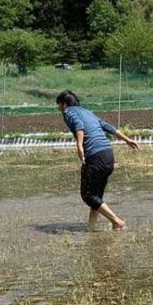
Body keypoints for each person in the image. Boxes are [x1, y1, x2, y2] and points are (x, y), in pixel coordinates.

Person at [56, 90, 139, 231]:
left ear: (64, 104)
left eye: (58, 105)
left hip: (94, 156)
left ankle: (117, 221)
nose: (58, 108)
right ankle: (90, 228)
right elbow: (107, 126)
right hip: (108, 155)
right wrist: (127, 139)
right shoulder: (87, 112)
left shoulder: (68, 112)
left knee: (87, 195)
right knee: (96, 196)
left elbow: (78, 125)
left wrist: (79, 145)